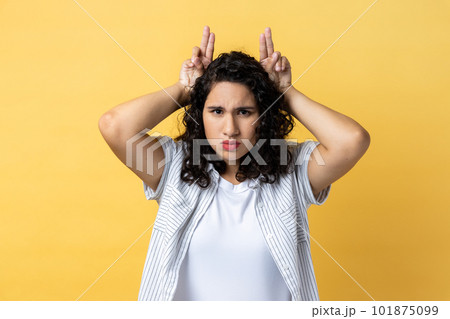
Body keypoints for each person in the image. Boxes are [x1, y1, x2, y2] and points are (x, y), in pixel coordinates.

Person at [98, 25, 370, 301]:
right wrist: (183, 90)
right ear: (199, 114)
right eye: (216, 111)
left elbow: (351, 141)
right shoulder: (172, 167)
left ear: (263, 116)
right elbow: (114, 126)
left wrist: (284, 93)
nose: (230, 128)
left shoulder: (293, 171)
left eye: (244, 112)